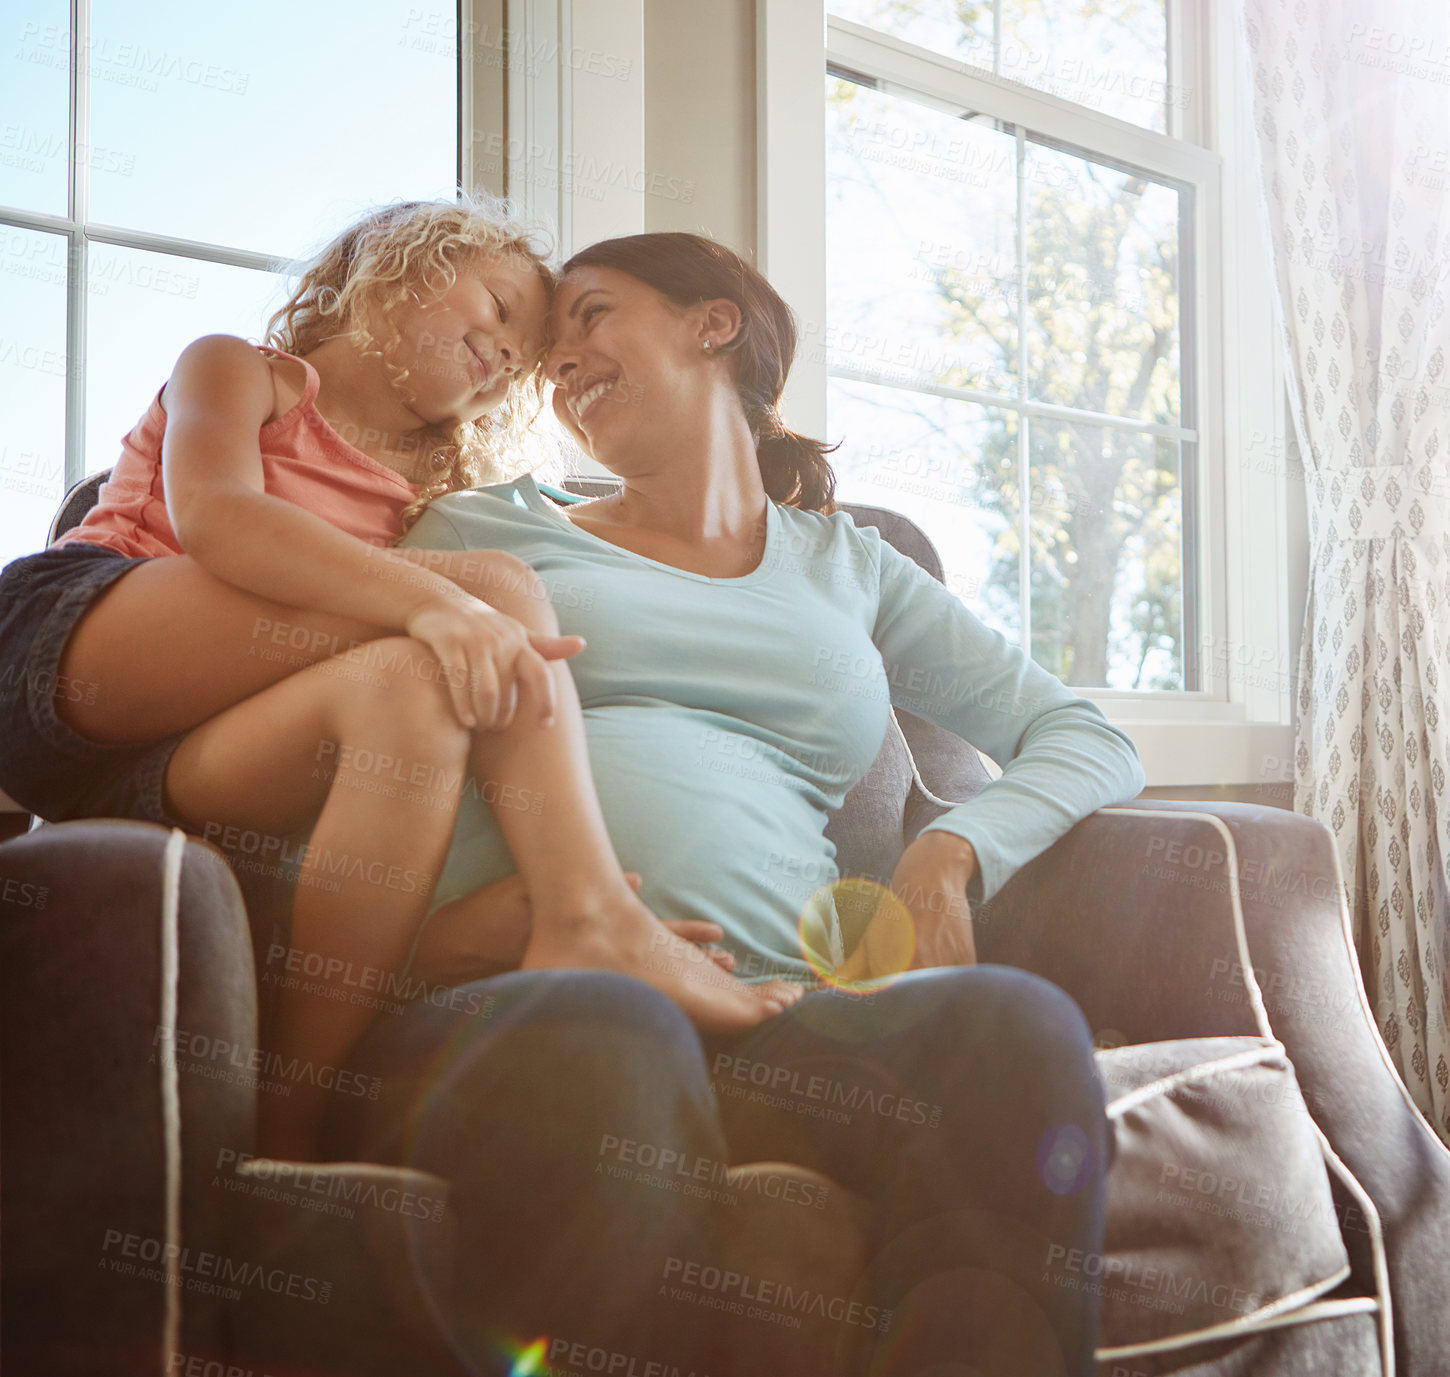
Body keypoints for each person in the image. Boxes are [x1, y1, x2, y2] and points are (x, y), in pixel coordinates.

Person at [321, 232, 1148, 1376]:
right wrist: (448, 930)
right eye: (544, 358)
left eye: (593, 318)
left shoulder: (847, 568)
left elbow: (1082, 735)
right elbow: (355, 751)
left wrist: (949, 854)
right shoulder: (480, 529)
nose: (559, 367)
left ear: (714, 324)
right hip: (531, 1005)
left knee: (1010, 1024)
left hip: (781, 1013)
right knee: (615, 1034)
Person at [0, 201, 798, 1164]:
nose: (507, 351)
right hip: (73, 651)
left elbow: (410, 666)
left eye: (524, 353)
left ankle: (295, 1121)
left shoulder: (435, 494)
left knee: (413, 688)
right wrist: (444, 604)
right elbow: (219, 520)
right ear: (399, 267)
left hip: (195, 769)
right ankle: (585, 905)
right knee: (497, 589)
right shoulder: (242, 371)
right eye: (501, 307)